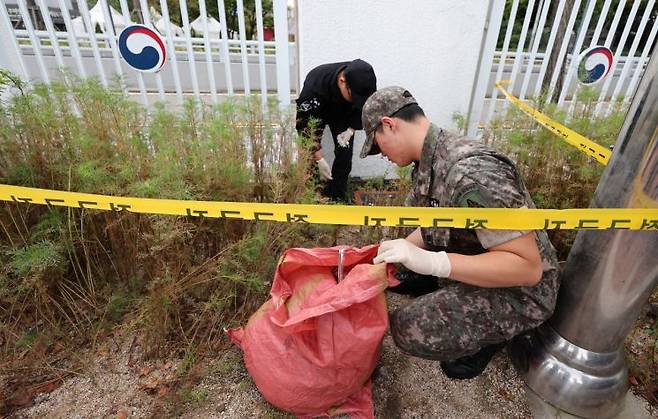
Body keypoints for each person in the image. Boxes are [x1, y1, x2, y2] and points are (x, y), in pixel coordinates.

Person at [359, 86, 560, 379]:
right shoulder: (432, 157)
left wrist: (435, 263)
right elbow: (433, 222)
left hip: (522, 290)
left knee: (407, 328)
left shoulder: (471, 173)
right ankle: (445, 282)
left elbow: (527, 268)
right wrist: (400, 249)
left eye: (377, 145)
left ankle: (493, 339)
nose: (381, 156)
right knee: (404, 272)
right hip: (481, 255)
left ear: (389, 125)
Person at [296, 59, 377, 201]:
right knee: (309, 152)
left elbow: (362, 107)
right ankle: (312, 193)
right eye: (354, 96)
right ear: (342, 81)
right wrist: (319, 158)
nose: (356, 100)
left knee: (345, 151)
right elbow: (305, 125)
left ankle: (336, 195)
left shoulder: (362, 79)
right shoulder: (314, 85)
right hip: (316, 111)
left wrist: (351, 129)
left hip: (342, 112)